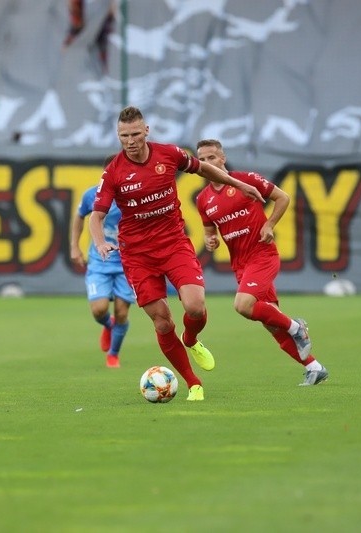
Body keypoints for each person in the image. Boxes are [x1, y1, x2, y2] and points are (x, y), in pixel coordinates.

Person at [89, 106, 264, 401]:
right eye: (123, 136)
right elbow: (96, 216)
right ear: (118, 136)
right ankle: (193, 383)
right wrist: (99, 242)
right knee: (162, 321)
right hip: (138, 256)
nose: (130, 141)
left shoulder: (169, 154)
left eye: (134, 134)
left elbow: (202, 168)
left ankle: (191, 339)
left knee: (195, 307)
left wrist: (237, 182)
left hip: (173, 244)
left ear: (146, 131)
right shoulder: (114, 173)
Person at [194, 139, 328, 386]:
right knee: (271, 325)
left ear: (222, 158)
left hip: (263, 256)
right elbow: (209, 230)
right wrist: (210, 240)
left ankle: (297, 327)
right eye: (201, 159)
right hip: (240, 265)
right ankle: (314, 367)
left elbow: (283, 197)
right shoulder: (203, 199)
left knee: (243, 305)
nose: (205, 163)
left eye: (211, 158)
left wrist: (269, 224)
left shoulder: (246, 181)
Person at [70, 155, 134, 368]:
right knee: (98, 309)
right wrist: (74, 246)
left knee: (122, 311)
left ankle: (113, 354)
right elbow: (80, 216)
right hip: (100, 261)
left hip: (128, 263)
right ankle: (108, 325)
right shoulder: (93, 195)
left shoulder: (136, 195)